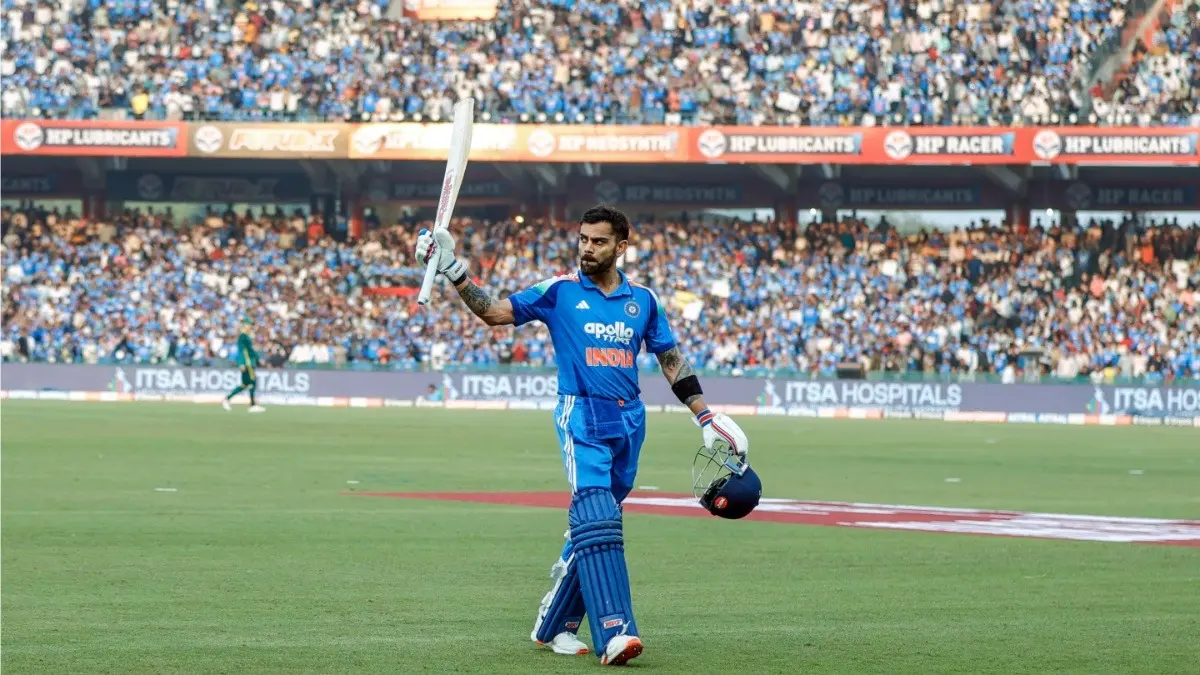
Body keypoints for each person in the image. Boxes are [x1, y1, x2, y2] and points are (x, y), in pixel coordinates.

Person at [415, 205, 749, 666]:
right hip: (581, 414)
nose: (587, 248)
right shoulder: (560, 292)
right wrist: (454, 269)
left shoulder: (644, 300)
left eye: (598, 241)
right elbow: (493, 312)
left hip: (630, 419)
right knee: (597, 516)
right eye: (583, 239)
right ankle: (616, 630)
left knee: (594, 526)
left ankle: (554, 625)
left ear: (621, 246)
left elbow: (671, 360)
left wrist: (705, 416)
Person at [223, 317, 266, 413]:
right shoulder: (243, 336)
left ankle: (227, 399)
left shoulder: (246, 336)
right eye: (249, 324)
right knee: (251, 383)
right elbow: (245, 351)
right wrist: (242, 362)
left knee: (246, 384)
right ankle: (252, 405)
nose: (250, 326)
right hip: (248, 363)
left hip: (248, 362)